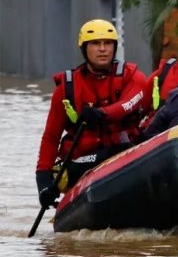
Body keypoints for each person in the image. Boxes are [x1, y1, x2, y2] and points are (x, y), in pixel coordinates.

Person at [35, 19, 147, 207]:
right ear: (84, 49)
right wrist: (43, 180)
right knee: (69, 171)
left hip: (125, 152)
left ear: (114, 47)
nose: (102, 49)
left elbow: (129, 103)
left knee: (117, 152)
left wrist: (102, 113)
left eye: (108, 43)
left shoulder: (132, 76)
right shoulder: (66, 89)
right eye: (95, 44)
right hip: (83, 161)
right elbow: (51, 137)